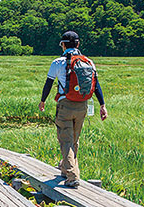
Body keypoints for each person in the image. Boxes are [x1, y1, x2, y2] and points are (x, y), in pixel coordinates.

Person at [39, 30, 108, 188]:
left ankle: (72, 176)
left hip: (65, 105)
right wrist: (102, 105)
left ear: (63, 45)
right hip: (83, 105)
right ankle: (65, 168)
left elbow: (48, 83)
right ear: (78, 44)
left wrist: (42, 101)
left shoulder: (58, 62)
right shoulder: (88, 61)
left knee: (66, 140)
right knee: (74, 140)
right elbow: (96, 85)